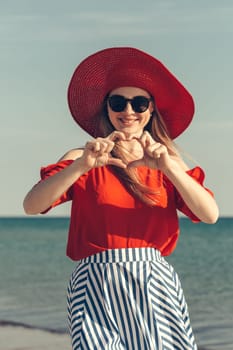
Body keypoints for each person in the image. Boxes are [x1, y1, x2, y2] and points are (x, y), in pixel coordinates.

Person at [23, 47, 219, 350]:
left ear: (151, 109)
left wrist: (168, 166)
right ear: (107, 108)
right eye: (118, 102)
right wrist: (82, 166)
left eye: (139, 102)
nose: (129, 111)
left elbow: (210, 214)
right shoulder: (82, 158)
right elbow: (32, 205)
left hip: (152, 280)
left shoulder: (167, 162)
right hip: (94, 281)